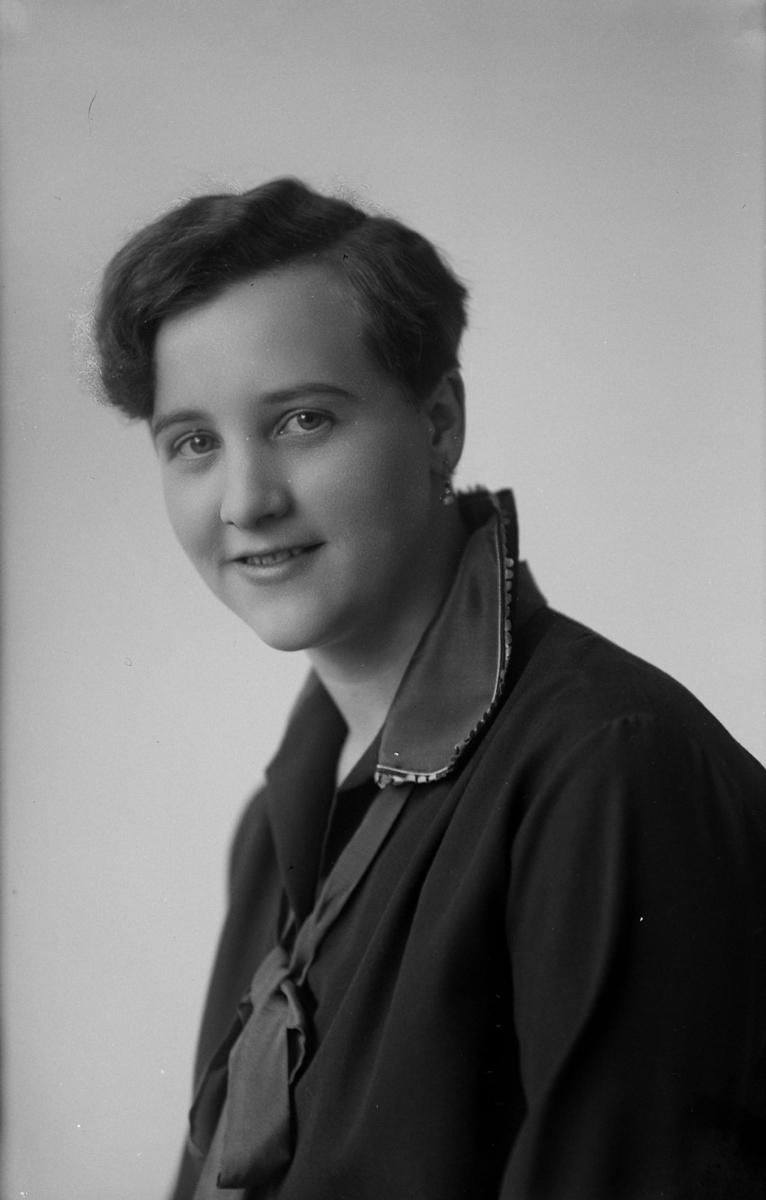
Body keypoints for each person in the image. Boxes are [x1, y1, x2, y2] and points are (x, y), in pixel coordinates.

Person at [94, 178, 766, 1200]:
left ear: (439, 423)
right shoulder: (273, 833)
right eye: (194, 442)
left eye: (303, 420)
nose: (245, 501)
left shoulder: (610, 771)